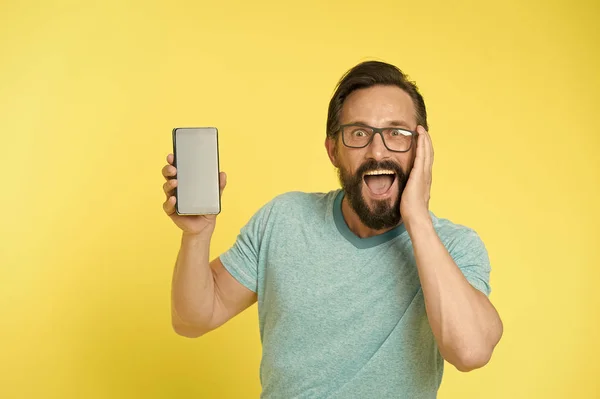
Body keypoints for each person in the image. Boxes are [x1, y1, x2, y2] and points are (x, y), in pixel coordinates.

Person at [161, 61, 503, 398]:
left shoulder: (455, 247)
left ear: (421, 149)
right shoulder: (283, 220)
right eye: (359, 133)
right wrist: (196, 235)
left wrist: (418, 219)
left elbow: (471, 351)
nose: (378, 150)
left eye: (398, 134)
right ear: (333, 150)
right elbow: (192, 319)